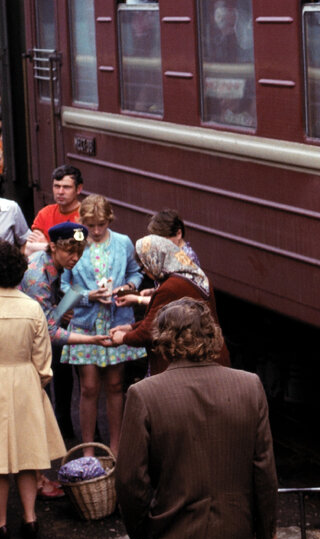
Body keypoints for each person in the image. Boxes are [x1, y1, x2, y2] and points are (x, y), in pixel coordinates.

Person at [116, 298, 278, 539]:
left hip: (173, 534)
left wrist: (143, 527)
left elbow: (131, 479)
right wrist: (265, 526)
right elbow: (263, 466)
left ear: (163, 339)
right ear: (211, 336)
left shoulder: (144, 394)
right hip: (231, 531)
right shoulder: (250, 386)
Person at [19, 222, 111, 497]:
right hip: (24, 351)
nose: (76, 258)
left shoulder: (52, 264)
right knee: (32, 417)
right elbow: (48, 330)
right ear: (54, 246)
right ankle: (35, 481)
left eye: (79, 251)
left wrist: (71, 302)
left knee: (36, 415)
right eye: (70, 251)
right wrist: (92, 340)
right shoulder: (37, 274)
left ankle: (36, 478)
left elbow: (51, 312)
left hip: (31, 346)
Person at [61, 195, 145, 456]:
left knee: (116, 385)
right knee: (88, 388)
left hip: (116, 323)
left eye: (101, 225)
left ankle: (116, 448)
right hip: (86, 325)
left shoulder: (122, 242)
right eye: (91, 226)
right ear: (81, 222)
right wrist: (88, 295)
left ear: (109, 220)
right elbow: (65, 285)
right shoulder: (75, 241)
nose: (96, 231)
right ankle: (87, 450)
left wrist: (128, 287)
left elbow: (136, 272)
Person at [0, 240, 67, 539]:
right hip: (26, 381)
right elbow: (43, 359)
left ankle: (0, 524)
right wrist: (39, 380)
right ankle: (30, 519)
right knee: (27, 457)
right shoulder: (31, 308)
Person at [110, 235, 228, 376]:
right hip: (210, 357)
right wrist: (130, 327)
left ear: (155, 259)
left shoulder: (170, 287)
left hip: (190, 367)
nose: (146, 272)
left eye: (144, 266)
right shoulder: (191, 275)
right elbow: (160, 320)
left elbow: (150, 331)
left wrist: (123, 338)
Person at [24, 165, 84, 256]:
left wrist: (47, 246)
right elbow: (29, 248)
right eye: (57, 186)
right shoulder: (45, 213)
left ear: (79, 189)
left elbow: (80, 253)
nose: (60, 192)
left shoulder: (86, 215)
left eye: (66, 187)